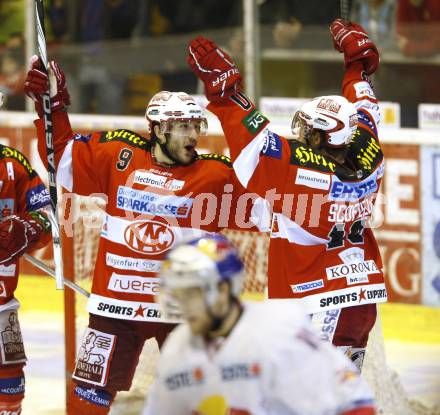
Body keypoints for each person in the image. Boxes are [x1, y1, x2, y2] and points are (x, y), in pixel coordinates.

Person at [23, 58, 257, 414]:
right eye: (183, 127)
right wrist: (51, 108)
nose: (193, 136)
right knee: (88, 395)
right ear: (159, 129)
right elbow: (64, 161)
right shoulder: (119, 155)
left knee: (208, 397)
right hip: (116, 305)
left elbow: (269, 205)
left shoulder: (215, 175)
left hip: (185, 308)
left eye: (196, 126)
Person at [186, 20, 385, 372]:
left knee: (301, 396)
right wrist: (357, 66)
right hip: (360, 299)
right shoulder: (367, 149)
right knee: (336, 395)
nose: (302, 134)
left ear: (323, 138)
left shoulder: (305, 175)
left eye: (309, 130)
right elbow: (365, 108)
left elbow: (254, 147)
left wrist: (226, 90)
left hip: (319, 302)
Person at [143, 234, 376, 415]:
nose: (183, 305)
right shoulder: (178, 348)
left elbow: (352, 402)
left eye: (191, 294)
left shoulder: (278, 330)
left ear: (223, 290)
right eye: (177, 294)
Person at [0, 92, 52, 414]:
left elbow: (47, 218)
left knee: (10, 397)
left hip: (2, 309)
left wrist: (27, 229)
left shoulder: (13, 164)